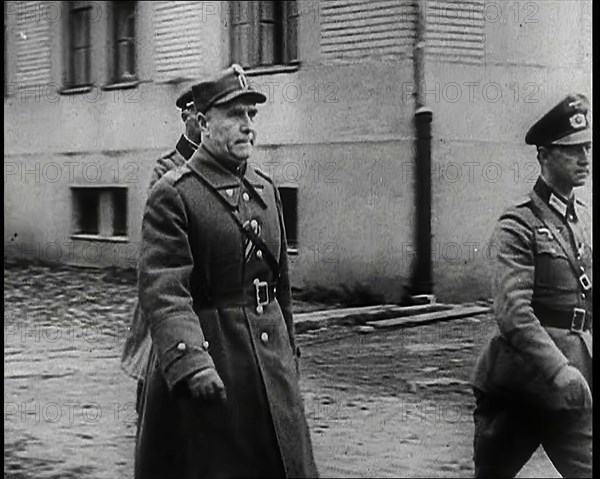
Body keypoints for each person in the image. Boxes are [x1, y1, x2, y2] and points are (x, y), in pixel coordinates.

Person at [134, 64, 319, 478]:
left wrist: (289, 349)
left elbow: (279, 287)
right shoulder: (175, 193)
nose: (248, 126)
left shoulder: (267, 190)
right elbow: (164, 288)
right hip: (213, 360)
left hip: (268, 367)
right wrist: (191, 362)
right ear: (203, 123)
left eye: (252, 115)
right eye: (235, 115)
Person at [471, 93, 592, 478]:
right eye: (572, 150)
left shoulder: (584, 221)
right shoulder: (517, 224)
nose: (585, 159)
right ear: (543, 156)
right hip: (520, 388)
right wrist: (558, 370)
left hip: (574, 389)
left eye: (588, 147)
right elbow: (513, 313)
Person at [121, 85, 201, 414]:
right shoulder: (165, 168)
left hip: (202, 285)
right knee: (158, 358)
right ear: (185, 116)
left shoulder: (223, 166)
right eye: (197, 113)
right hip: (169, 280)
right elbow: (158, 235)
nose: (203, 120)